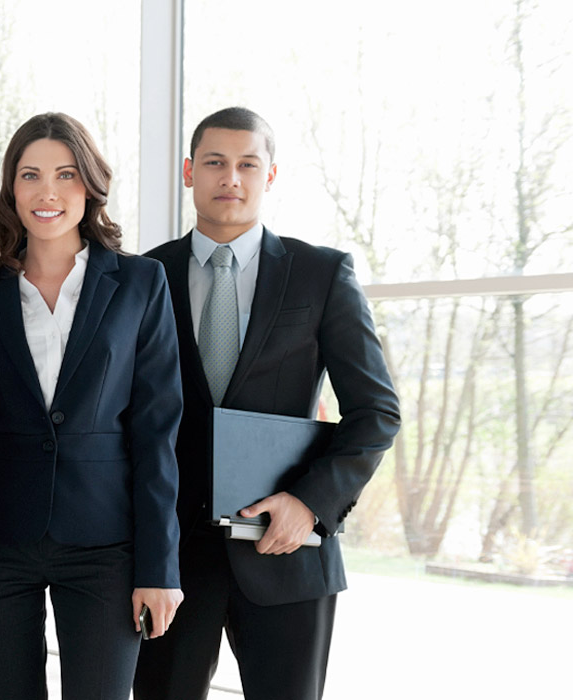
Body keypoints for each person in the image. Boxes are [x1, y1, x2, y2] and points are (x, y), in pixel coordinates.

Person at [132, 107, 400, 700]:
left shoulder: (322, 274)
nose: (231, 177)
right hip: (170, 559)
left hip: (287, 551)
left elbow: (376, 411)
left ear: (270, 176)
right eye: (215, 163)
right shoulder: (142, 275)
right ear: (188, 171)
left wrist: (311, 502)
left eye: (248, 164)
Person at [0, 112, 184, 699]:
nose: (48, 192)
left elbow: (156, 432)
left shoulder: (141, 284)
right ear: (11, 189)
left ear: (88, 185)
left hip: (106, 544)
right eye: (30, 175)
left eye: (65, 175)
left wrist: (160, 568)